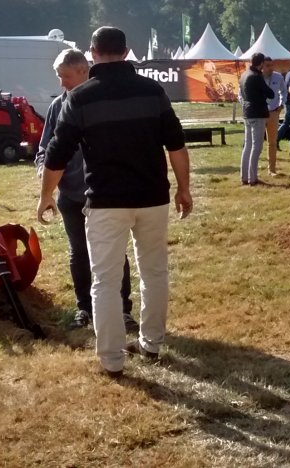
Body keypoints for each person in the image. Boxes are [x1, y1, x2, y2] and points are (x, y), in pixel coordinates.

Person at [37, 26, 192, 378]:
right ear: (125, 52)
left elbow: (57, 155)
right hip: (152, 197)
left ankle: (111, 358)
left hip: (106, 202)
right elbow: (176, 145)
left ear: (92, 53)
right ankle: (151, 342)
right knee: (154, 273)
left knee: (104, 280)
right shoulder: (153, 91)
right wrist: (184, 189)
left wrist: (46, 196)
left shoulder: (80, 98)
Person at [35, 49, 138, 332]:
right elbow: (44, 150)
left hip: (106, 194)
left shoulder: (104, 100)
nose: (61, 83)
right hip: (71, 195)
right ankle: (84, 308)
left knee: (115, 253)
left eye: (65, 76)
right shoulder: (59, 106)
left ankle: (123, 310)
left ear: (83, 71)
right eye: (59, 77)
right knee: (79, 252)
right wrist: (45, 174)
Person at [239, 52, 274, 185]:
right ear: (260, 64)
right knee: (257, 146)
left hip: (247, 112)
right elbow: (269, 93)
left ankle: (244, 176)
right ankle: (252, 178)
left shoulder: (244, 74)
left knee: (247, 145)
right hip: (258, 113)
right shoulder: (256, 76)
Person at [262, 57, 286, 177]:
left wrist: (281, 104)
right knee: (254, 143)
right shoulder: (256, 77)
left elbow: (284, 91)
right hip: (258, 113)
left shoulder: (278, 76)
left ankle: (272, 169)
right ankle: (250, 169)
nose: (270, 68)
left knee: (272, 142)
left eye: (272, 65)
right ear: (262, 66)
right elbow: (241, 94)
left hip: (273, 112)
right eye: (267, 65)